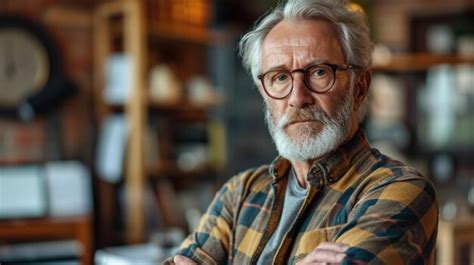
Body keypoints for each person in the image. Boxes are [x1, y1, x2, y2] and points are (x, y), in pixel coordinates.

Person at [164, 0, 438, 264]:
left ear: (359, 87)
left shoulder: (401, 191)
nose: (297, 97)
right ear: (264, 94)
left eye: (319, 72)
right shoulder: (239, 194)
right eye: (280, 77)